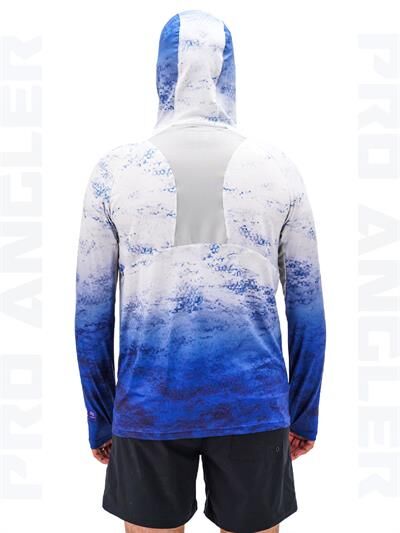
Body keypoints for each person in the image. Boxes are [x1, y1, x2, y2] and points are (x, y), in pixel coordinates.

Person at [75, 9, 326, 533]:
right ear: (229, 69)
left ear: (162, 69)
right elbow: (307, 308)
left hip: (148, 408)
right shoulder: (278, 169)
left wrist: (101, 415)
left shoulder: (115, 172)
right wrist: (303, 411)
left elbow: (91, 313)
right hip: (253, 405)